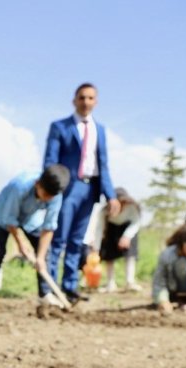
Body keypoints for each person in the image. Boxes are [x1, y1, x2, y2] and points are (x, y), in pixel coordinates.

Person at [44, 83, 120, 304]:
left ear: (95, 101)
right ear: (74, 100)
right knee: (58, 239)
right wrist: (53, 186)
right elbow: (50, 160)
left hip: (90, 189)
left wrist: (111, 194)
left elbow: (103, 164)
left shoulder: (100, 130)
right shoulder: (60, 127)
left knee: (78, 241)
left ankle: (69, 287)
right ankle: (49, 288)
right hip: (68, 187)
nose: (86, 102)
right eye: (82, 97)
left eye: (90, 98)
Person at [0, 164, 70, 314]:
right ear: (37, 184)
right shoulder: (20, 186)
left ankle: (45, 295)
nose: (48, 200)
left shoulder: (56, 195)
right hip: (4, 214)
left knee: (43, 253)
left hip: (29, 218)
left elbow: (48, 227)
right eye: (45, 195)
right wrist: (20, 243)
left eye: (50, 197)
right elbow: (10, 219)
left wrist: (40, 257)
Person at [90, 187, 142, 292]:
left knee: (130, 255)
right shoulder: (104, 211)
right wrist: (96, 247)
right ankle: (110, 283)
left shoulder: (131, 208)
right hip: (111, 229)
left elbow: (136, 222)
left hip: (128, 229)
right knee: (109, 255)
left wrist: (127, 236)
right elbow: (99, 229)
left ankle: (129, 282)